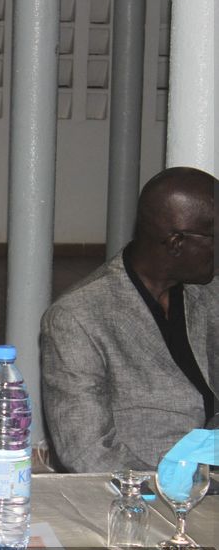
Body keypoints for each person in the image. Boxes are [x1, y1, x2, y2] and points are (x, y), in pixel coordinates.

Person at [41, 166, 218, 473]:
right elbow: (86, 453)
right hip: (146, 495)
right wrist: (169, 492)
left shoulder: (207, 292)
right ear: (177, 243)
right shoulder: (78, 317)